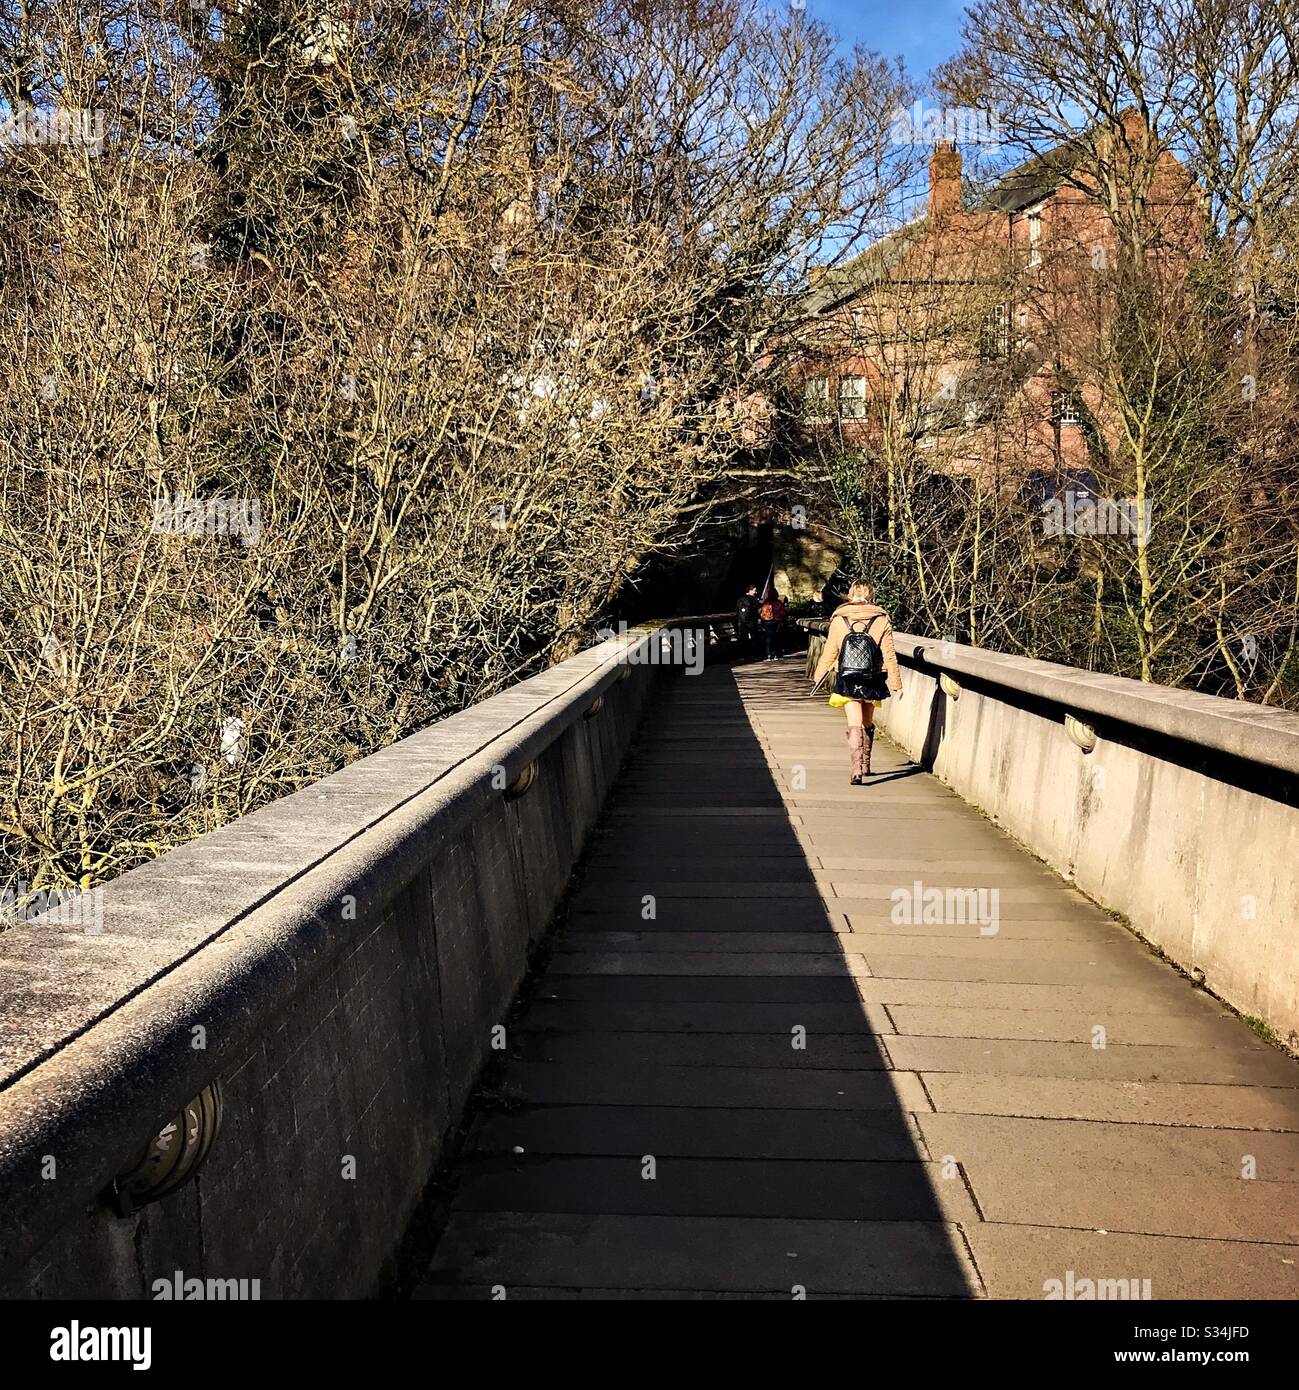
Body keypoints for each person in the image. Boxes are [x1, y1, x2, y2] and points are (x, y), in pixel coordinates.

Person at [811, 580, 903, 783]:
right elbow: (889, 655)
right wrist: (896, 685)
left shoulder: (839, 619)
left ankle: (856, 770)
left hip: (848, 676)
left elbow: (830, 652)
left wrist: (818, 676)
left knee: (854, 723)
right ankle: (866, 764)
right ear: (871, 595)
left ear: (850, 595)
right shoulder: (881, 619)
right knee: (867, 722)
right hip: (873, 677)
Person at [758, 588, 787, 661]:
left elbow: (763, 613)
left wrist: (763, 620)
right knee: (777, 638)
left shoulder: (766, 603)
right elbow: (783, 612)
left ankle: (769, 655)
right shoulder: (779, 602)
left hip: (768, 621)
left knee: (768, 639)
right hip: (777, 621)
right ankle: (778, 654)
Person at [735, 585, 760, 655]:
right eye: (755, 590)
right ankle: (754, 654)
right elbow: (759, 607)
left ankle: (744, 655)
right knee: (754, 638)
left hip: (742, 622)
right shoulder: (754, 599)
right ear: (750, 590)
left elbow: (737, 610)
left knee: (743, 639)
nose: (756, 592)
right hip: (752, 622)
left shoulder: (740, 599)